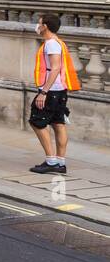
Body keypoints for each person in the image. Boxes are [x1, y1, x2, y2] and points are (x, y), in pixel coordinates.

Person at [29, 12, 80, 175]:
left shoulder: (51, 44)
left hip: (51, 90)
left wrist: (43, 92)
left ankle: (51, 161)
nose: (37, 25)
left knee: (37, 121)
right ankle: (60, 162)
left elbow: (55, 67)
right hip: (60, 89)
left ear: (45, 26)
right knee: (58, 123)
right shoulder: (58, 42)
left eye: (39, 23)